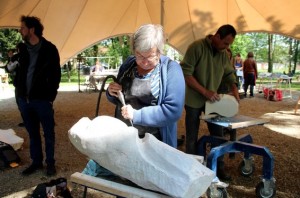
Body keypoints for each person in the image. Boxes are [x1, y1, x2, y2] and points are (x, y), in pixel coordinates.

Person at [82, 24, 185, 177]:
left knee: (148, 183)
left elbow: (173, 111)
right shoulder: (129, 64)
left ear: (159, 50)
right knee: (123, 182)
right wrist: (112, 93)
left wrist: (137, 115)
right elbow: (119, 96)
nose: (143, 61)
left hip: (154, 142)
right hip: (124, 140)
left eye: (149, 56)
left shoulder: (171, 69)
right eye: (139, 55)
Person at [180, 24, 240, 180]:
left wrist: (234, 89)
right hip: (193, 100)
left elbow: (229, 74)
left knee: (218, 135)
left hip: (212, 102)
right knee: (191, 136)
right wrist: (205, 91)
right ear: (217, 36)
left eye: (229, 45)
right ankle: (192, 171)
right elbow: (186, 73)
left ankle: (218, 168)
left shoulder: (223, 54)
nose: (227, 47)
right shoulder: (196, 47)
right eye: (225, 43)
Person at [16, 15, 61, 176]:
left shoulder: (49, 49)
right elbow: (16, 71)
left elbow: (56, 75)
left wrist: (50, 97)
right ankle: (36, 162)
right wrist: (19, 94)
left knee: (48, 133)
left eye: (22, 28)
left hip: (42, 100)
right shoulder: (21, 49)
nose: (20, 30)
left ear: (31, 29)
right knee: (32, 133)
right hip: (24, 100)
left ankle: (50, 163)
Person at [5, 42, 27, 127]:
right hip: (31, 83)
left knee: (21, 103)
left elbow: (9, 68)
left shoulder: (17, 57)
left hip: (20, 85)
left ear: (18, 49)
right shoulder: (31, 55)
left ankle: (27, 121)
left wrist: (10, 58)